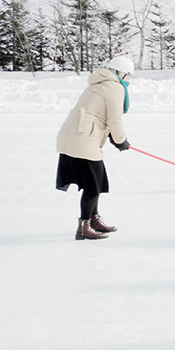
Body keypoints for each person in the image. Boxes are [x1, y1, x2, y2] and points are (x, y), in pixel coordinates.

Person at [56, 56, 134, 240]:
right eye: (128, 75)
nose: (129, 80)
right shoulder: (114, 86)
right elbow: (114, 118)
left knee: (94, 182)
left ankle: (93, 219)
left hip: (74, 136)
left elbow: (99, 114)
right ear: (121, 73)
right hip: (83, 139)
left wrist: (114, 138)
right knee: (93, 185)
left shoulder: (99, 83)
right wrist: (120, 140)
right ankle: (84, 227)